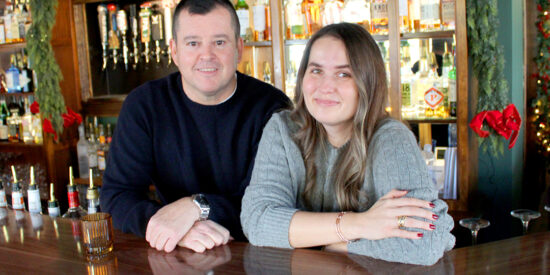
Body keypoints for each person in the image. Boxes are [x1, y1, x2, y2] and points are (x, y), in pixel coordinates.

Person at [240, 23, 455, 266]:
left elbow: (423, 243)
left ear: (368, 83)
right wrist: (361, 224)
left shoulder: (392, 140)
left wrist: (327, 244)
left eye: (344, 74)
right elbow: (257, 222)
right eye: (316, 71)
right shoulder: (283, 129)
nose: (325, 87)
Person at [101, 0, 289, 254]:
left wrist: (195, 208)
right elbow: (116, 196)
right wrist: (174, 227)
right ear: (174, 51)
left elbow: (270, 207)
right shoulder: (145, 105)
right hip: (175, 254)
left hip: (256, 255)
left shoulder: (272, 108)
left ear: (239, 48)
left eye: (219, 42)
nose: (207, 55)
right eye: (193, 43)